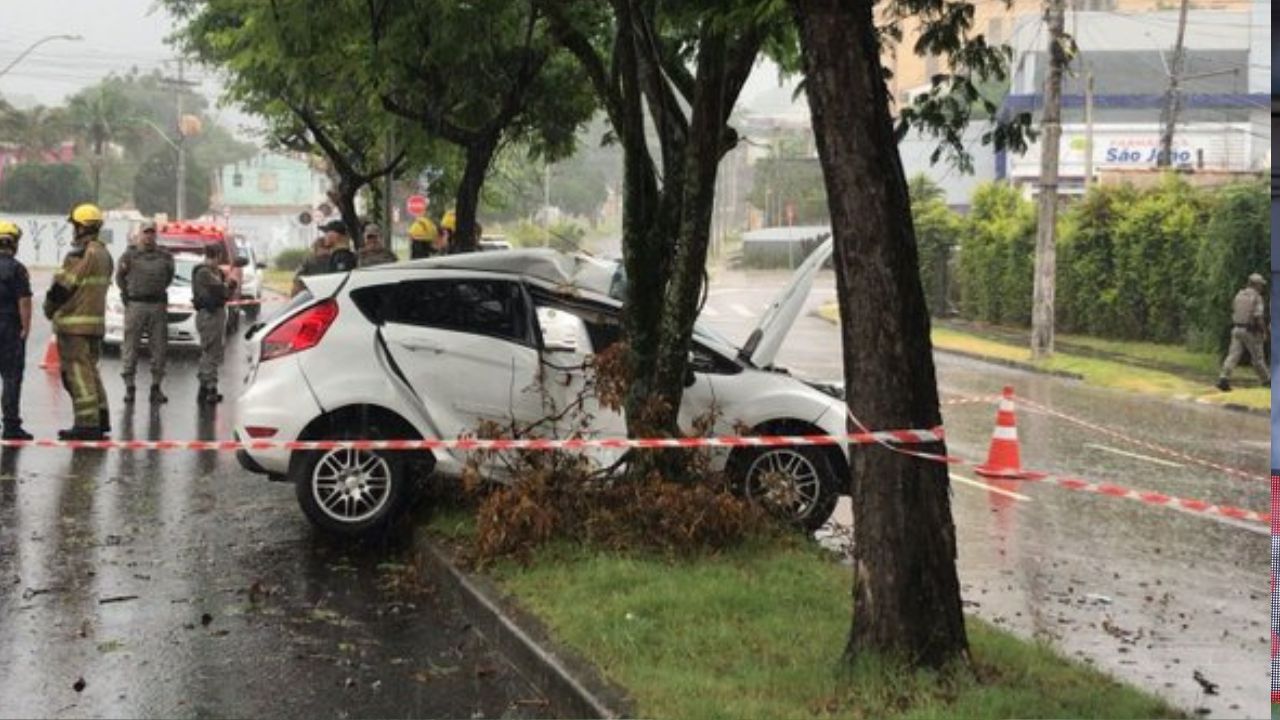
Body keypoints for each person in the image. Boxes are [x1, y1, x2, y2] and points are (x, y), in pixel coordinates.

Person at [44, 203, 114, 440]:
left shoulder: (80, 254)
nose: (73, 231)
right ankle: (101, 417)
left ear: (82, 227)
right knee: (90, 371)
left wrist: (49, 307)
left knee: (77, 374)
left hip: (74, 325)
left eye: (75, 226)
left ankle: (86, 424)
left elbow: (62, 288)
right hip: (94, 324)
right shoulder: (104, 254)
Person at [115, 220, 175, 404]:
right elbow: (120, 278)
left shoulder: (164, 256)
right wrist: (130, 294)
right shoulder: (129, 256)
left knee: (159, 348)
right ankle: (129, 387)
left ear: (155, 234)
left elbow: (168, 277)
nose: (149, 236)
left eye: (152, 232)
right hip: (136, 305)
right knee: (130, 346)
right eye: (146, 232)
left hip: (157, 305)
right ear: (140, 234)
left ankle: (156, 387)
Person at [0, 220, 33, 440]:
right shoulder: (18, 269)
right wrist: (25, 327)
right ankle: (11, 425)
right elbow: (24, 301)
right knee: (11, 377)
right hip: (9, 327)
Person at [192, 243, 234, 404]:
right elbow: (221, 290)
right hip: (209, 314)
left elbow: (227, 294)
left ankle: (204, 386)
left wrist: (228, 286)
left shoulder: (216, 273)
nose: (215, 261)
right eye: (215, 257)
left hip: (216, 313)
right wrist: (228, 285)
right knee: (211, 352)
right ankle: (210, 388)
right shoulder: (204, 272)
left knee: (210, 351)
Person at [1216, 273, 1270, 391]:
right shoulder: (1257, 297)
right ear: (1255, 284)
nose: (1262, 287)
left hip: (1236, 329)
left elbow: (1234, 309)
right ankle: (1267, 381)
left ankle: (1224, 378)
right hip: (1251, 331)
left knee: (1233, 356)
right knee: (1258, 358)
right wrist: (1264, 331)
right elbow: (1258, 317)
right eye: (1260, 284)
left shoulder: (1239, 295)